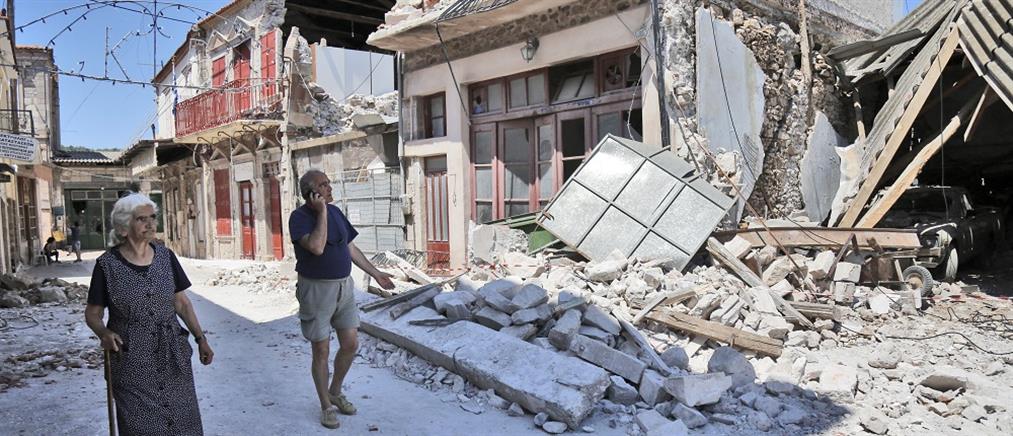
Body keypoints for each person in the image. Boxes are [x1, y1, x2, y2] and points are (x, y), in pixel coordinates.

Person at [84, 193, 214, 435]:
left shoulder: (166, 257)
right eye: (141, 219)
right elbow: (93, 314)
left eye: (152, 217)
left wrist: (201, 339)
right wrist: (103, 332)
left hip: (172, 354)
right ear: (123, 228)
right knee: (140, 425)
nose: (150, 224)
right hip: (131, 359)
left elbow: (182, 303)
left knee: (183, 422)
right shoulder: (106, 265)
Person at [289, 170, 394, 429]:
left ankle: (335, 391)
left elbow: (350, 247)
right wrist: (321, 212)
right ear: (311, 193)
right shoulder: (299, 218)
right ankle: (326, 405)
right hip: (316, 290)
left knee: (350, 343)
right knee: (321, 349)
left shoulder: (336, 212)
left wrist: (376, 273)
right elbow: (316, 247)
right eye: (323, 185)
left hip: (344, 288)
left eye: (328, 183)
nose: (330, 188)